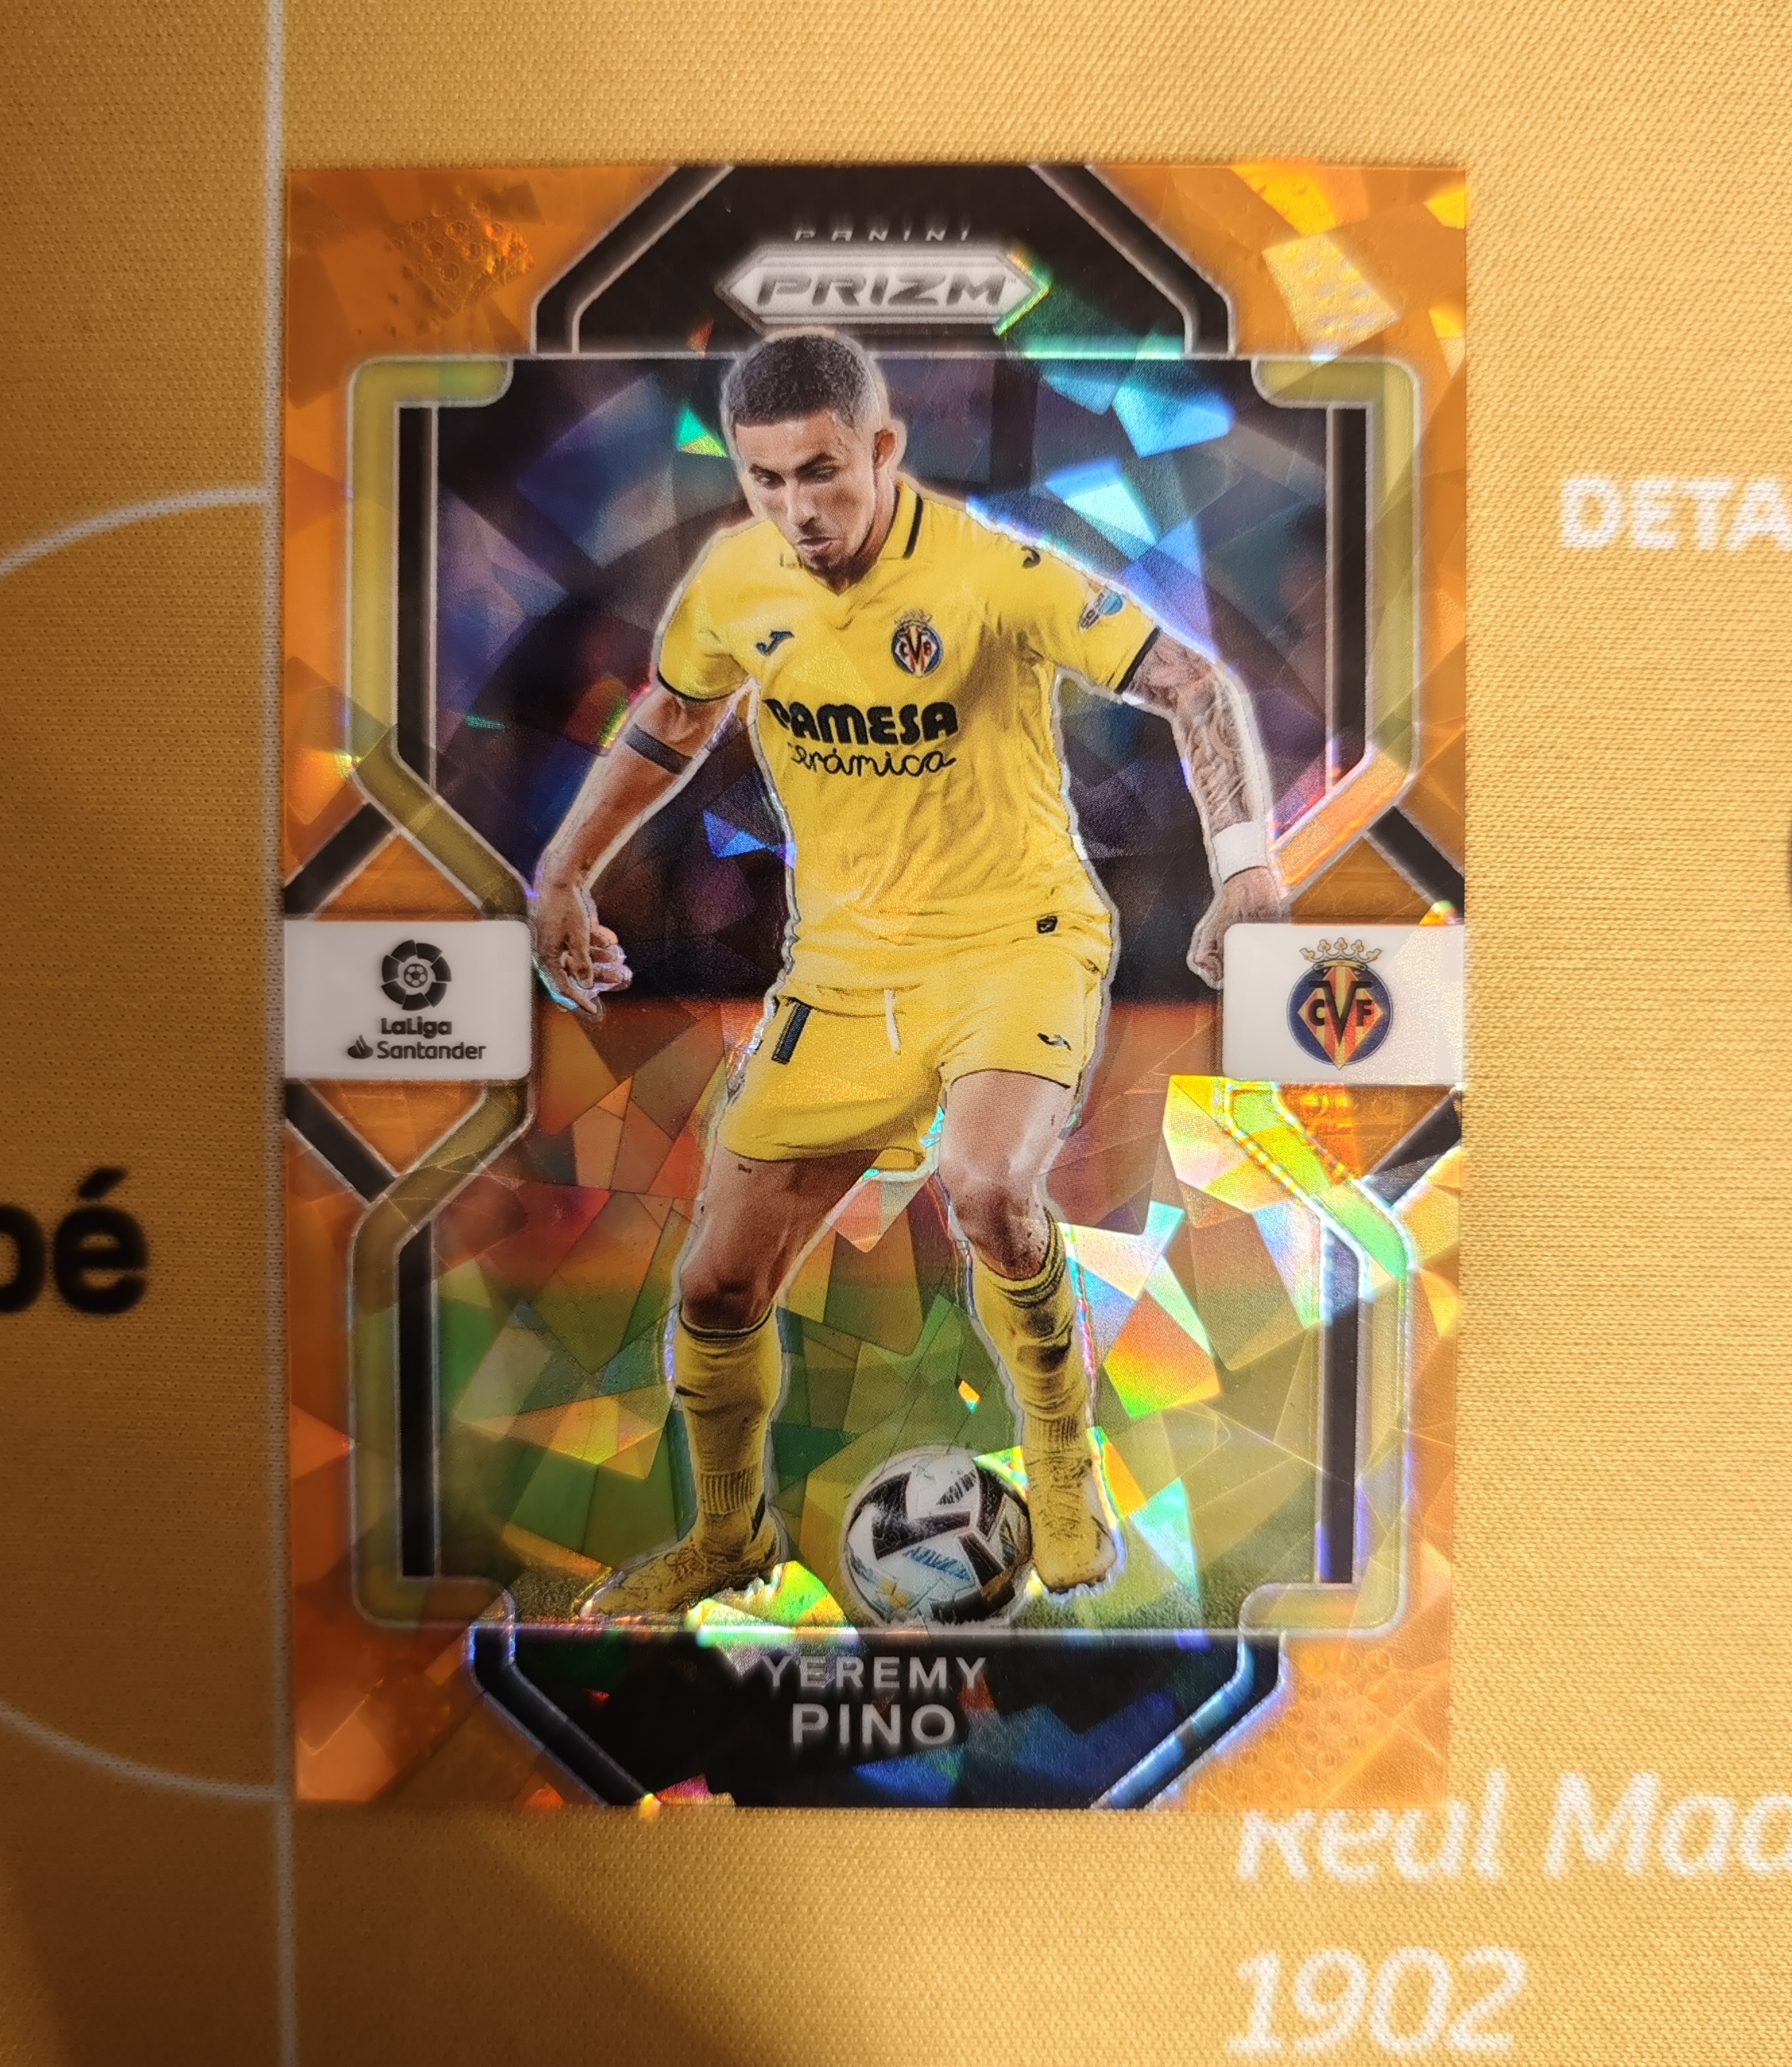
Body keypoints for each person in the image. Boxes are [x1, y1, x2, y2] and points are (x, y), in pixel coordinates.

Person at [531, 330, 1283, 1619]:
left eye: (821, 472)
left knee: (984, 1185)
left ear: (883, 448)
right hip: (842, 974)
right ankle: (730, 1536)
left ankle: (1062, 1472)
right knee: (716, 1288)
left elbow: (1192, 684)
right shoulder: (734, 582)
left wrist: (1246, 872)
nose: (797, 509)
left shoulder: (990, 572)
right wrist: (563, 873)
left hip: (1017, 943)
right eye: (767, 480)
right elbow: (675, 715)